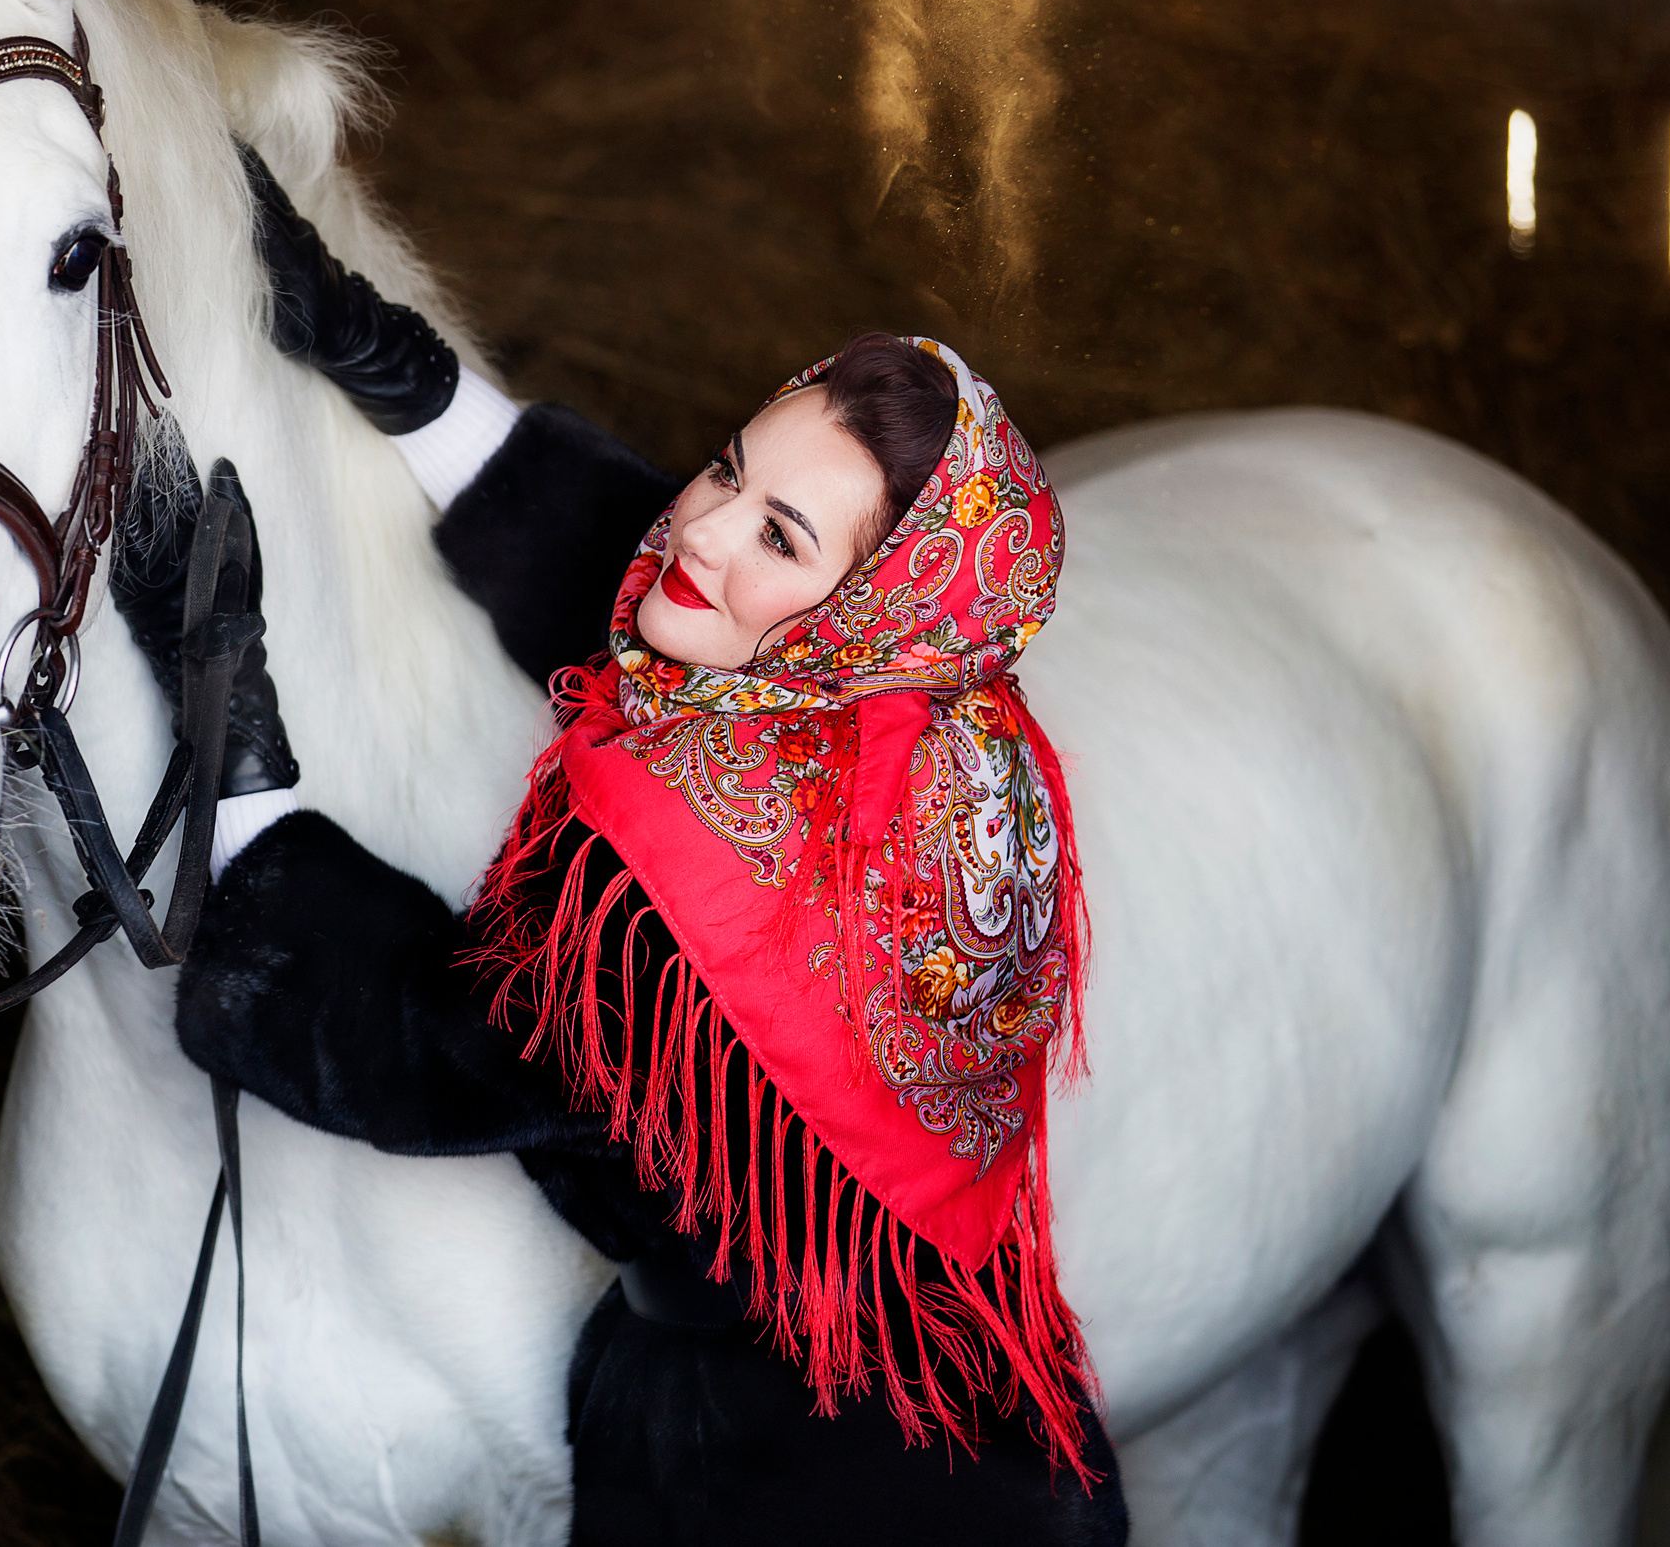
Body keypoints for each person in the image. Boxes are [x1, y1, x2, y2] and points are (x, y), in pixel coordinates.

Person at [111, 153, 1127, 1546]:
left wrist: (237, 753)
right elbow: (659, 602)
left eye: (776, 530)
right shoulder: (952, 734)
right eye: (727, 463)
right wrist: (402, 372)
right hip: (1007, 1436)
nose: (698, 527)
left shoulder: (680, 910)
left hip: (788, 1490)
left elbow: (416, 1054)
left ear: (870, 610)